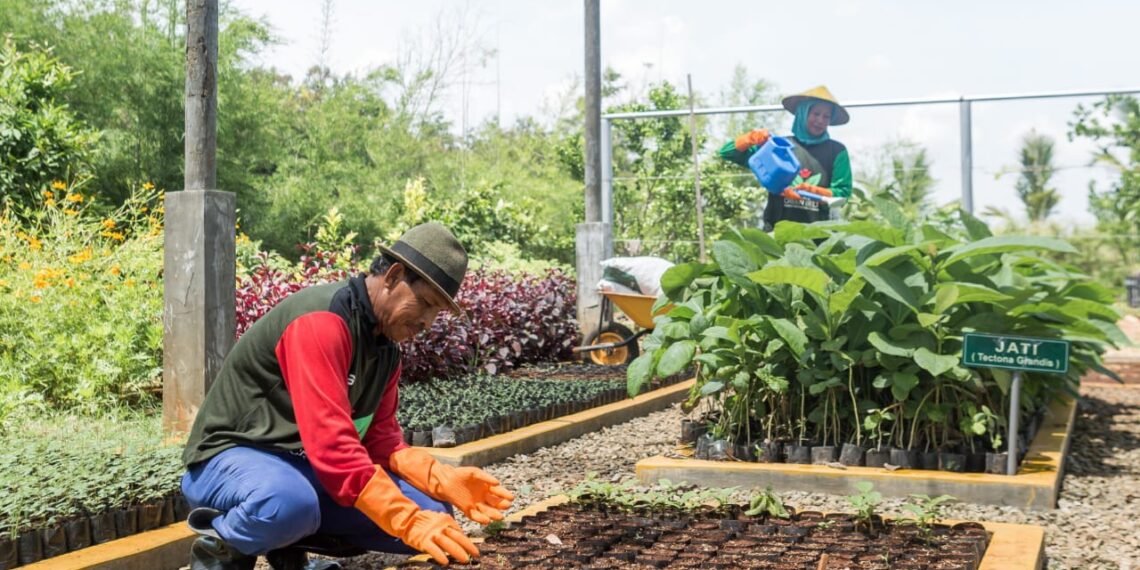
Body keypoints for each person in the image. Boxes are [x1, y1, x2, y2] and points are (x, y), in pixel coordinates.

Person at [180, 222, 513, 570]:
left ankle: (288, 546)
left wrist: (438, 476)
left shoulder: (385, 349)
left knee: (433, 512)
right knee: (288, 503)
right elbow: (333, 446)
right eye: (426, 303)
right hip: (228, 460)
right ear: (394, 276)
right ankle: (222, 550)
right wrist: (405, 519)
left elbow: (381, 441)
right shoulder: (321, 322)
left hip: (302, 468)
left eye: (437, 313)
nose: (427, 321)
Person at [719, 85, 853, 231]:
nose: (820, 120)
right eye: (815, 113)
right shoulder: (779, 147)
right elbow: (728, 152)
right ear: (803, 113)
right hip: (777, 232)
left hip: (818, 236)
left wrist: (812, 191)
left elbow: (843, 194)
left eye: (826, 116)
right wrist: (749, 139)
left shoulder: (836, 151)